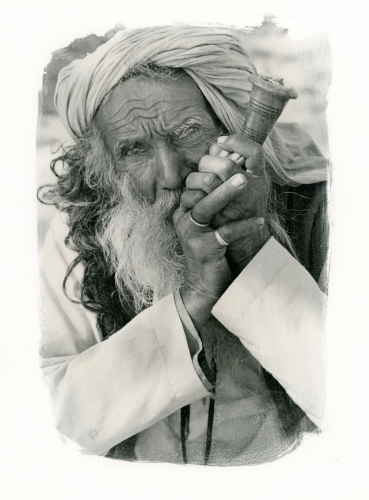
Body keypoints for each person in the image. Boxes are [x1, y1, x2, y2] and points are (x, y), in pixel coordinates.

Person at [38, 26, 329, 466]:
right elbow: (49, 418)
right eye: (135, 149)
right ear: (106, 164)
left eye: (188, 131)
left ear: (230, 125)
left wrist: (250, 245)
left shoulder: (326, 209)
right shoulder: (80, 230)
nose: (170, 174)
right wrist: (191, 303)